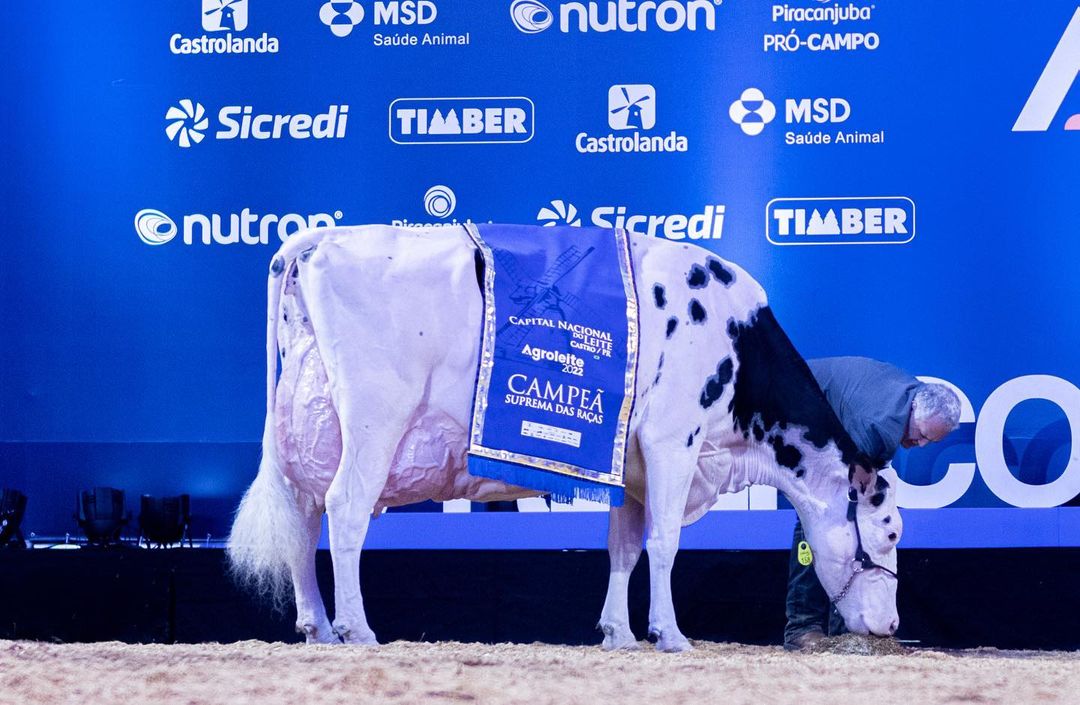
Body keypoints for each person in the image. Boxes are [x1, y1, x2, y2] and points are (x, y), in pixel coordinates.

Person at [783, 356, 962, 651]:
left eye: (932, 441)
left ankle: (844, 628)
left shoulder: (916, 399)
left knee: (850, 528)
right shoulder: (879, 428)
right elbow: (840, 495)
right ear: (916, 409)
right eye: (921, 436)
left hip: (828, 419)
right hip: (788, 408)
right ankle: (802, 627)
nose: (920, 445)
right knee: (818, 520)